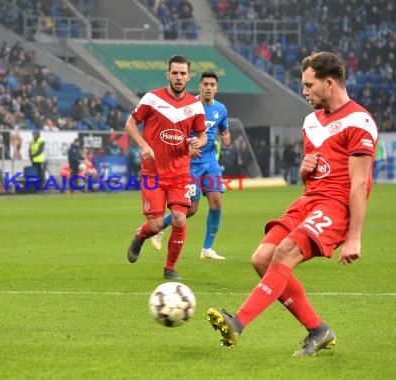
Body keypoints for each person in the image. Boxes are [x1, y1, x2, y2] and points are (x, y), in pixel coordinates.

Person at [207, 51, 378, 356]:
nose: (304, 91)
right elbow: (313, 178)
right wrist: (304, 171)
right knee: (261, 258)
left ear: (329, 83)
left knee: (285, 253)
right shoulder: (311, 121)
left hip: (336, 207)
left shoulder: (359, 121)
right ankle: (318, 330)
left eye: (309, 85)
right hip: (310, 200)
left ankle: (238, 323)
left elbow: (360, 183)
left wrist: (354, 238)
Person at [125, 54, 207, 281]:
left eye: (183, 74)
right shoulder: (151, 99)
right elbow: (130, 123)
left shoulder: (195, 105)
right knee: (155, 224)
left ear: (189, 77)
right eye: (175, 73)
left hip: (180, 172)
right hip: (152, 172)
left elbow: (202, 136)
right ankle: (141, 236)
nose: (179, 77)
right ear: (167, 74)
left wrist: (196, 143)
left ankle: (169, 268)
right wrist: (143, 145)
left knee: (180, 218)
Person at [150, 71, 230, 260]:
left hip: (210, 162)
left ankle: (207, 249)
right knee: (191, 209)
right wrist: (188, 145)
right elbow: (175, 132)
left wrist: (226, 138)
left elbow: (224, 130)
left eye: (212, 85)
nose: (209, 88)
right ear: (199, 86)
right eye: (206, 84)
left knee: (217, 202)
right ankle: (159, 227)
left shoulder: (221, 109)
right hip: (189, 165)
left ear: (216, 88)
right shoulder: (189, 106)